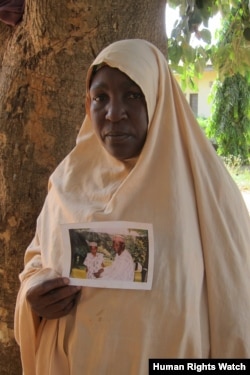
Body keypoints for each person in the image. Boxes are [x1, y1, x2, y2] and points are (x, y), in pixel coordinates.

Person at [14, 39, 250, 375]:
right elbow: (37, 260)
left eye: (132, 95)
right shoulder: (67, 182)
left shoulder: (206, 192)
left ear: (157, 97)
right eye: (100, 98)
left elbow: (236, 304)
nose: (113, 113)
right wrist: (34, 297)